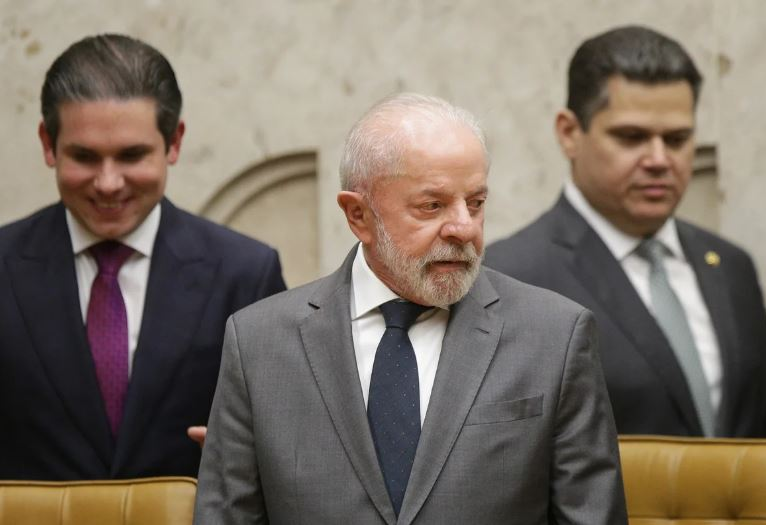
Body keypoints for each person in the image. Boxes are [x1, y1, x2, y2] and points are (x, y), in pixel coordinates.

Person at [194, 93, 626, 524]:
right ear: (358, 215)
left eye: (475, 203)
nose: (463, 228)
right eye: (432, 206)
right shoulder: (258, 343)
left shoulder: (556, 337)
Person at [0, 34, 286, 480]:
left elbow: (289, 439)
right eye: (84, 157)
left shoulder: (245, 273)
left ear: (174, 142)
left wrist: (257, 460)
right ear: (48, 144)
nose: (108, 182)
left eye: (131, 155)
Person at [486, 25, 766, 437]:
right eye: (631, 137)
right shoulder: (511, 278)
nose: (659, 159)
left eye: (677, 139)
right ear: (569, 133)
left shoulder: (731, 266)